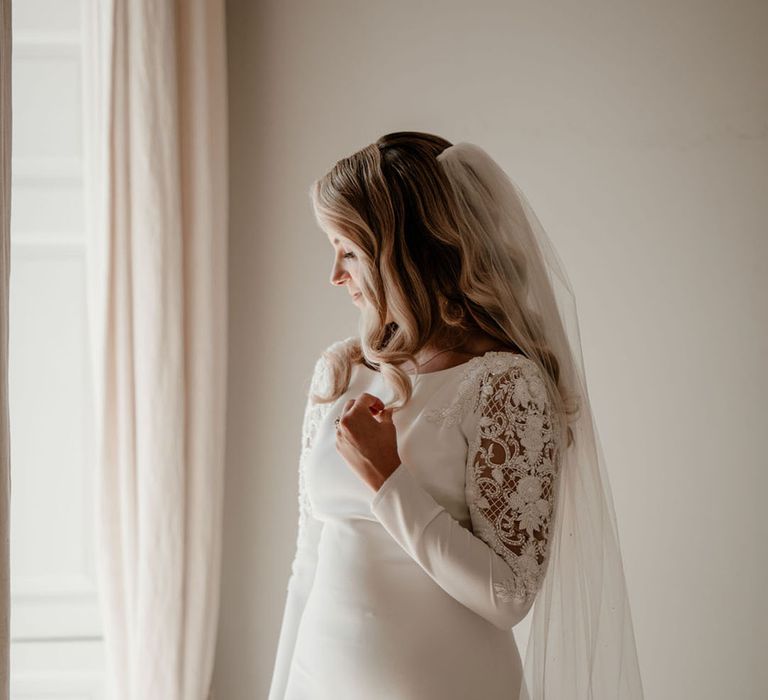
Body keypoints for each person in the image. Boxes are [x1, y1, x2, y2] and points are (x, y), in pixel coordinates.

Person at [268, 132, 644, 699]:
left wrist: (387, 478)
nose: (335, 275)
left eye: (347, 250)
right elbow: (307, 564)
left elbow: (509, 597)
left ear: (404, 251)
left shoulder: (505, 386)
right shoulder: (340, 371)